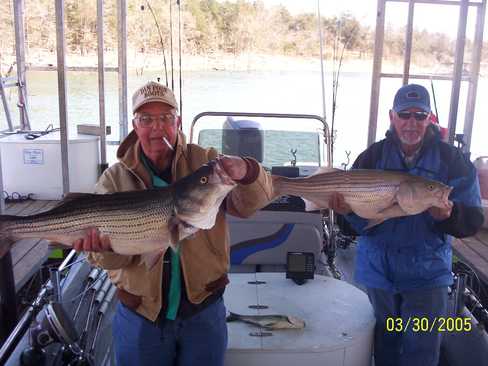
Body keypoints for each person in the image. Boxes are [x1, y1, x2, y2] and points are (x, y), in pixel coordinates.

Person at [73, 81, 274, 366]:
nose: (157, 128)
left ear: (177, 121)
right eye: (146, 119)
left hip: (203, 311)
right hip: (141, 315)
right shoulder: (113, 180)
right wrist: (101, 249)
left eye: (166, 118)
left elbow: (250, 205)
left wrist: (248, 170)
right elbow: (108, 262)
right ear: (135, 125)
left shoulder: (206, 162)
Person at [329, 84, 484, 366]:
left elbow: (472, 221)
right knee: (386, 345)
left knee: (422, 351)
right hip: (379, 272)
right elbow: (353, 225)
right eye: (404, 114)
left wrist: (449, 216)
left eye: (419, 115)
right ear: (392, 116)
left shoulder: (453, 161)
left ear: (429, 118)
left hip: (427, 273)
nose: (411, 122)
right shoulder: (371, 157)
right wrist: (345, 211)